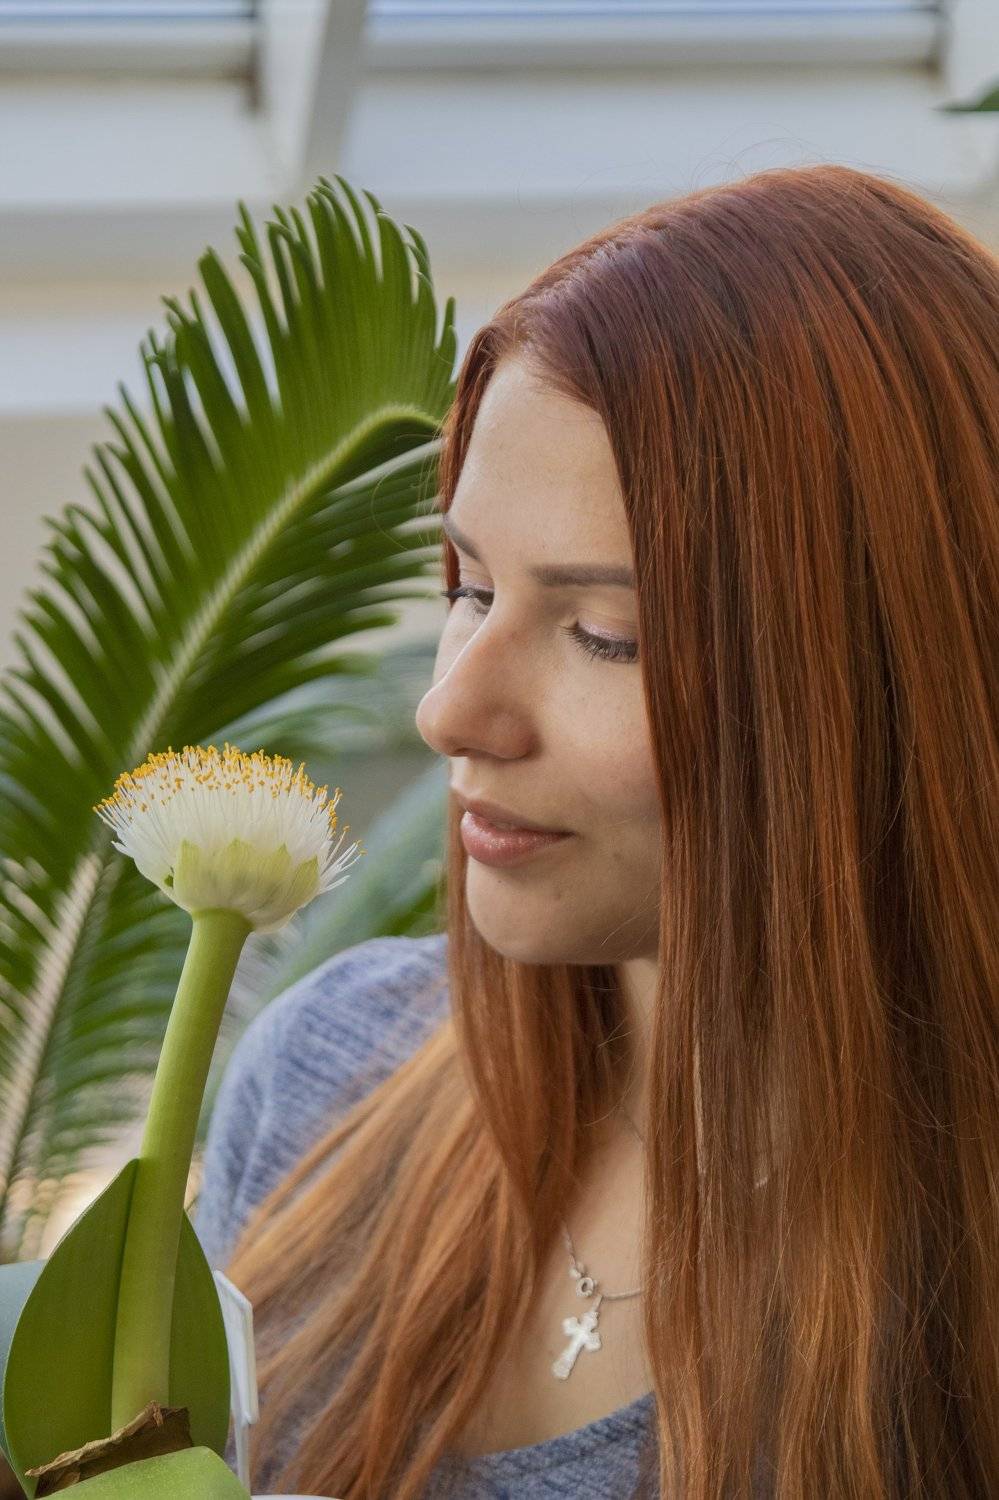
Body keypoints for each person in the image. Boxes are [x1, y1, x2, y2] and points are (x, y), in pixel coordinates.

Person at [193, 162, 999, 1499]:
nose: (452, 710)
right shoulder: (322, 1086)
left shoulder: (952, 1321)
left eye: (605, 633)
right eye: (469, 586)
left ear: (882, 678)